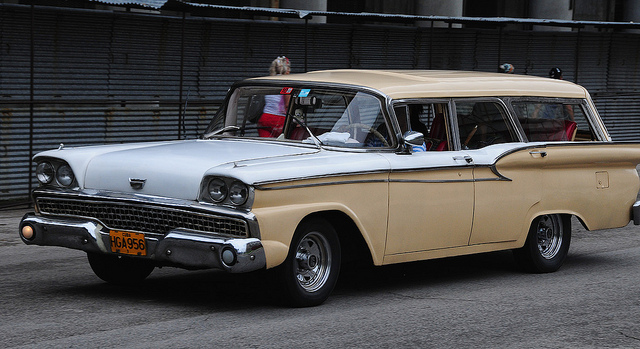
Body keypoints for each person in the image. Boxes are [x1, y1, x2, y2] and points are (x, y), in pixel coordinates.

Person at [257, 56, 291, 137]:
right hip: (279, 120)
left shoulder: (268, 82)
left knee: (266, 146)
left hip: (264, 118)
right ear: (286, 70)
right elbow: (287, 105)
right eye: (289, 68)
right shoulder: (287, 83)